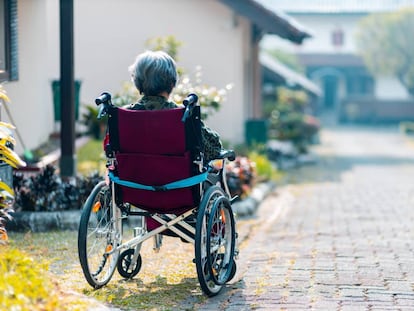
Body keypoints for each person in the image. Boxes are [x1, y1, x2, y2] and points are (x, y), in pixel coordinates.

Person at [127, 50, 222, 163]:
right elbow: (214, 148)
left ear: (137, 82)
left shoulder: (123, 116)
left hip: (133, 178)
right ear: (172, 82)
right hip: (177, 179)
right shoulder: (183, 115)